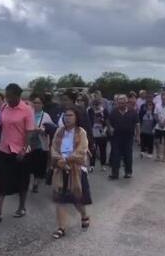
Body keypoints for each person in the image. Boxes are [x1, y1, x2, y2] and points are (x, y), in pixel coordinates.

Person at [0, 83, 35, 222]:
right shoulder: (4, 107)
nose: (7, 99)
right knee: (1, 180)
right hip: (4, 149)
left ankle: (21, 207)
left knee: (22, 180)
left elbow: (29, 132)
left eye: (10, 96)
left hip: (21, 151)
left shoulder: (26, 110)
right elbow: (2, 125)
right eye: (6, 96)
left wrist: (24, 150)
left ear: (17, 96)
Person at [50, 107, 92, 239]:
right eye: (66, 115)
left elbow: (82, 150)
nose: (67, 118)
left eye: (71, 115)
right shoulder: (59, 131)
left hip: (76, 169)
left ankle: (84, 215)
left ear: (76, 117)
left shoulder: (81, 132)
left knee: (77, 199)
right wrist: (58, 160)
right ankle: (61, 228)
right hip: (61, 168)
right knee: (60, 200)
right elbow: (54, 148)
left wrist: (67, 159)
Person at [108, 95, 140, 179]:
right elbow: (108, 121)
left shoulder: (132, 111)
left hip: (128, 137)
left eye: (122, 103)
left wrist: (138, 136)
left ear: (126, 103)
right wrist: (110, 127)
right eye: (119, 103)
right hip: (116, 137)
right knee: (116, 155)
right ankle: (115, 173)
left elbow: (137, 124)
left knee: (128, 155)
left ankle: (128, 172)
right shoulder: (114, 111)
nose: (121, 105)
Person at [28, 93, 54, 192]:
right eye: (34, 102)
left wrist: (42, 130)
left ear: (42, 104)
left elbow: (51, 129)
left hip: (41, 143)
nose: (36, 104)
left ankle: (36, 183)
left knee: (39, 165)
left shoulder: (46, 116)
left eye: (38, 103)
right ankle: (29, 181)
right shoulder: (29, 114)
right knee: (29, 163)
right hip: (29, 143)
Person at [87, 98, 110, 171]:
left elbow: (107, 121)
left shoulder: (104, 111)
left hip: (102, 132)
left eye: (98, 104)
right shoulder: (90, 111)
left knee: (103, 149)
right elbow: (89, 121)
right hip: (93, 132)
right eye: (95, 105)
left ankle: (103, 165)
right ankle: (92, 165)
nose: (97, 106)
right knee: (93, 149)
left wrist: (105, 130)